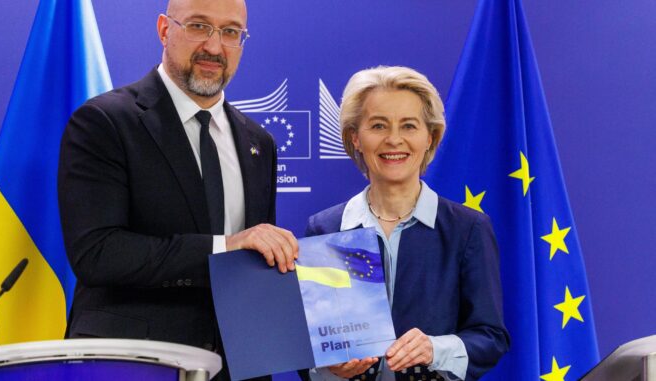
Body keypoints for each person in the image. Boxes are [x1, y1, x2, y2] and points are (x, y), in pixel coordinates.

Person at [58, 0, 297, 380]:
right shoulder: (104, 122)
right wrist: (225, 246)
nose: (215, 48)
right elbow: (98, 253)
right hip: (132, 366)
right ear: (164, 29)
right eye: (199, 26)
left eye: (231, 32)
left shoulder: (259, 143)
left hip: (236, 369)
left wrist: (322, 351)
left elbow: (257, 267)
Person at [305, 66, 509, 381]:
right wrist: (329, 368)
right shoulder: (325, 228)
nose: (394, 140)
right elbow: (309, 348)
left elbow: (491, 336)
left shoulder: (467, 229)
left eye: (409, 126)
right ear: (356, 138)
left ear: (430, 137)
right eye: (378, 126)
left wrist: (434, 348)